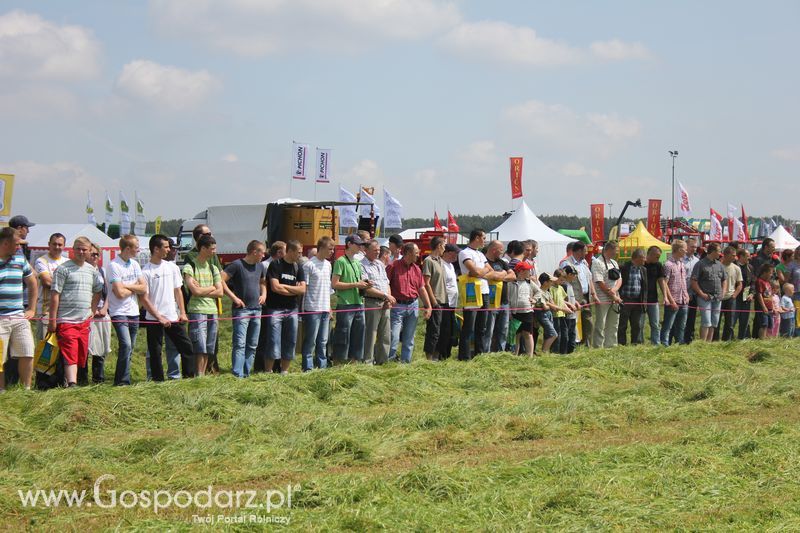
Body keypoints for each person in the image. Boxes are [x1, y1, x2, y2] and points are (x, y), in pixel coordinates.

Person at [48, 237, 103, 388]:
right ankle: (72, 384)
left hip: (84, 321)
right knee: (70, 353)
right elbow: (55, 295)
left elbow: (99, 290)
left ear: (89, 251)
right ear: (72, 249)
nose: (80, 252)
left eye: (84, 249)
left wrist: (92, 309)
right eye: (78, 248)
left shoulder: (92, 270)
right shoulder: (63, 269)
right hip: (66, 320)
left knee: (81, 354)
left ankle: (70, 381)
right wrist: (52, 320)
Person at [141, 234, 195, 382]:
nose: (168, 249)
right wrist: (159, 317)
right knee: (155, 352)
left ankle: (190, 379)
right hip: (154, 319)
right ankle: (158, 381)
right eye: (165, 247)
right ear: (156, 249)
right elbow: (144, 299)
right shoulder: (145, 272)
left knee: (187, 347)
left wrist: (182, 312)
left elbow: (178, 291)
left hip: (173, 316)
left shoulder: (172, 267)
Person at [0, 227, 38, 391]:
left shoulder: (20, 260)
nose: (19, 248)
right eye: (16, 244)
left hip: (19, 316)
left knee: (28, 352)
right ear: (6, 243)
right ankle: (1, 391)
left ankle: (26, 390)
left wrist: (31, 309)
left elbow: (32, 283)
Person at [222, 240, 267, 378]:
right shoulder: (236, 265)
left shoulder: (260, 267)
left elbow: (262, 282)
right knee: (240, 344)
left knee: (252, 344)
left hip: (257, 309)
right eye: (262, 252)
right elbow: (221, 280)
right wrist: (234, 298)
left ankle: (246, 373)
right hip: (242, 310)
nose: (264, 255)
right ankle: (237, 374)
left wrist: (264, 294)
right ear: (254, 252)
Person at [107, 235, 147, 386]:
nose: (138, 250)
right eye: (136, 247)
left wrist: (126, 285)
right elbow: (119, 293)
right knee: (126, 345)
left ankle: (125, 379)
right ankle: (121, 381)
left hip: (134, 312)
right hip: (119, 312)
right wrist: (133, 287)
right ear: (128, 249)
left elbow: (143, 287)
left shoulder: (135, 264)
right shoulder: (113, 265)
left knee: (130, 349)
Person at [183, 234, 223, 376]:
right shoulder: (190, 266)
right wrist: (211, 288)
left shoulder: (213, 268)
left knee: (209, 346)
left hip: (213, 310)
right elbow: (194, 290)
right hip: (197, 310)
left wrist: (203, 291)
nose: (214, 252)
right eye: (212, 249)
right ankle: (198, 375)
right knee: (199, 345)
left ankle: (203, 375)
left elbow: (220, 292)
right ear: (203, 248)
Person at [265, 240, 306, 374]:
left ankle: (284, 371)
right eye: (299, 252)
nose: (301, 255)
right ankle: (268, 371)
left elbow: (303, 290)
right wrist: (294, 289)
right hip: (275, 308)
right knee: (273, 340)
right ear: (290, 251)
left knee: (290, 340)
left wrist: (286, 287)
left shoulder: (298, 267)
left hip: (292, 309)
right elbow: (275, 287)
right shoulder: (275, 265)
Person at [387, 243, 432, 363]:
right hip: (397, 305)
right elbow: (386, 284)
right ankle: (389, 361)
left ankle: (405, 362)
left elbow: (421, 288)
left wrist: (428, 306)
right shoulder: (393, 266)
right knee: (394, 336)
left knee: (409, 337)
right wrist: (389, 299)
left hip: (413, 305)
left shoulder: (417, 269)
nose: (418, 255)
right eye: (416, 252)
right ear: (408, 253)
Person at [332, 235, 369, 363]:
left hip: (358, 302)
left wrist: (365, 284)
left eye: (361, 244)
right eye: (357, 244)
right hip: (345, 304)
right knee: (343, 336)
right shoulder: (340, 261)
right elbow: (335, 284)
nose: (360, 247)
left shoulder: (357, 263)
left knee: (358, 337)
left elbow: (358, 282)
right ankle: (339, 363)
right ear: (349, 244)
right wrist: (356, 284)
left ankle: (354, 363)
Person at [458, 229, 492, 360]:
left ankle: (480, 355)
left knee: (482, 327)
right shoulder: (464, 253)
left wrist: (479, 271)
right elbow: (475, 271)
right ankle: (464, 357)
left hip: (484, 291)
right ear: (477, 238)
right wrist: (481, 272)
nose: (485, 240)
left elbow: (489, 270)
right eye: (483, 237)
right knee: (469, 327)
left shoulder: (481, 254)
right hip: (472, 291)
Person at [302, 237, 334, 371]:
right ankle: (308, 368)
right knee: (311, 341)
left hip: (325, 309)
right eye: (330, 249)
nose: (332, 251)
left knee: (323, 341)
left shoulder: (328, 265)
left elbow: (328, 288)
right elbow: (304, 289)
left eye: (333, 249)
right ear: (321, 248)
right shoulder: (308, 265)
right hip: (312, 308)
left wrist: (330, 307)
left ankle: (322, 367)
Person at [360, 239, 394, 365]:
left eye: (379, 250)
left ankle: (382, 361)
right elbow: (367, 289)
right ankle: (368, 362)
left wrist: (388, 298)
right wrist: (386, 295)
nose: (377, 252)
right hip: (371, 303)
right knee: (371, 334)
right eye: (374, 250)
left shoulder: (380, 264)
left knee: (385, 334)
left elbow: (386, 282)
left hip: (385, 303)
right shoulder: (361, 265)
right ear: (366, 251)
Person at [255, 240, 285, 373]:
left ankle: (276, 365)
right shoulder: (264, 266)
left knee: (277, 337)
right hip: (267, 307)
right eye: (285, 250)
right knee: (265, 337)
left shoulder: (281, 265)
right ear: (279, 252)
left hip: (279, 306)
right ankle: (260, 366)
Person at [560, 241, 597, 347]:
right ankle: (571, 345)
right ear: (579, 251)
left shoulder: (584, 263)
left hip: (586, 296)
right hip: (573, 297)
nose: (586, 253)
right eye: (585, 251)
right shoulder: (566, 263)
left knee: (588, 321)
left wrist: (593, 293)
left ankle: (587, 344)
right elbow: (564, 281)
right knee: (573, 322)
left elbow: (589, 278)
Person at [690, 242, 728, 342]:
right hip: (705, 298)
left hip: (717, 297)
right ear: (712, 251)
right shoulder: (700, 264)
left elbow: (724, 279)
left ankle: (709, 344)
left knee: (714, 322)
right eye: (719, 251)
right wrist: (701, 294)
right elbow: (693, 281)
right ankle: (703, 344)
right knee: (706, 321)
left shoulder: (720, 265)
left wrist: (723, 292)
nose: (720, 254)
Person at [34, 233, 68, 340]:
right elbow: (47, 282)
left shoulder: (68, 262)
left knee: (62, 351)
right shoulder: (41, 261)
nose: (57, 247)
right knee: (46, 352)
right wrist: (67, 286)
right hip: (46, 312)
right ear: (49, 244)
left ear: (64, 246)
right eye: (54, 244)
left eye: (60, 244)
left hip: (64, 311)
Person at [86, 242, 111, 383]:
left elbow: (108, 293)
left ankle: (98, 380)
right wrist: (91, 310)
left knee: (100, 348)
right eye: (92, 253)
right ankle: (81, 379)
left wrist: (105, 308)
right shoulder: (82, 270)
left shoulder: (103, 271)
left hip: (102, 314)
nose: (95, 256)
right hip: (87, 315)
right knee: (86, 349)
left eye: (97, 254)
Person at [483, 240, 515, 352]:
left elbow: (513, 276)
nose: (502, 252)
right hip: (491, 301)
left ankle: (500, 353)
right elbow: (486, 275)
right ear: (493, 249)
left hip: (504, 301)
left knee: (503, 329)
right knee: (489, 329)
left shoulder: (502, 262)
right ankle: (486, 352)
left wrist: (499, 277)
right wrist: (502, 274)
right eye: (501, 250)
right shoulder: (484, 261)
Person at [591, 240, 622, 349]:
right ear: (608, 250)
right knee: (601, 324)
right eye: (614, 251)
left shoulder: (614, 262)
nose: (616, 253)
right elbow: (599, 282)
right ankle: (598, 347)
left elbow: (620, 279)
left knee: (614, 324)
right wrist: (612, 295)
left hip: (615, 298)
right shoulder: (597, 262)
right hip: (602, 298)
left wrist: (615, 290)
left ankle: (611, 345)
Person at [422, 236, 447, 360]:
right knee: (433, 331)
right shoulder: (429, 261)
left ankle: (437, 355)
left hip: (443, 300)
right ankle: (429, 357)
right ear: (439, 246)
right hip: (435, 301)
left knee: (441, 331)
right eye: (444, 245)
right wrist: (433, 302)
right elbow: (426, 283)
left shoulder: (441, 261)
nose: (445, 248)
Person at [617, 248, 647, 346]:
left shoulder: (643, 270)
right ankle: (621, 344)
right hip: (625, 300)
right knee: (622, 324)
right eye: (643, 258)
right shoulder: (624, 267)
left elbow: (644, 286)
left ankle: (635, 344)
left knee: (636, 325)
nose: (644, 260)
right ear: (637, 258)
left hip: (638, 301)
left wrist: (644, 301)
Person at [661, 240, 689, 346]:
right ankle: (664, 345)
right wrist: (671, 300)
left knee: (681, 326)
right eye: (685, 250)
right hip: (674, 300)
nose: (686, 252)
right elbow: (665, 283)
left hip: (683, 300)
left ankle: (679, 345)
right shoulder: (668, 265)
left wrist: (686, 296)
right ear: (680, 250)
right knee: (668, 325)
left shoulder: (682, 264)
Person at [750, 238, 778, 339]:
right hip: (760, 290)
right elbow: (754, 277)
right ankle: (756, 338)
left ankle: (765, 338)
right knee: (760, 318)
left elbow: (774, 276)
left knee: (768, 320)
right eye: (772, 247)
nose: (774, 249)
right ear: (766, 247)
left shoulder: (773, 259)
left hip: (769, 291)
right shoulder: (758, 260)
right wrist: (753, 292)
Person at [507, 261, 536, 356]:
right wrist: (509, 312)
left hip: (527, 311)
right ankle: (515, 354)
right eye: (528, 270)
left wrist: (534, 299)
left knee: (528, 333)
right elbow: (508, 298)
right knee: (516, 334)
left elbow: (539, 292)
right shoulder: (511, 283)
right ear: (521, 271)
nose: (530, 272)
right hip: (515, 312)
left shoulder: (529, 282)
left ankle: (530, 355)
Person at [438, 244, 460, 360]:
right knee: (444, 329)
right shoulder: (441, 265)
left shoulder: (451, 265)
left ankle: (448, 352)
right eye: (454, 253)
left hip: (453, 303)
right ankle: (442, 353)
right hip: (444, 302)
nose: (456, 256)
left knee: (451, 329)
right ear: (447, 252)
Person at [642, 246, 668, 345]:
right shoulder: (641, 264)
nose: (658, 259)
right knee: (640, 324)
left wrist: (665, 296)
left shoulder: (658, 265)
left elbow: (661, 281)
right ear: (650, 254)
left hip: (653, 300)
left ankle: (656, 344)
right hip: (640, 300)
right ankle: (640, 343)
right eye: (657, 256)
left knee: (655, 324)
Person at [717, 246, 743, 341]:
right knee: (716, 322)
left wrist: (734, 295)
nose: (735, 257)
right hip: (718, 298)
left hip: (730, 298)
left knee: (730, 323)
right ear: (726, 255)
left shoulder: (736, 268)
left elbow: (739, 284)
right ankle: (715, 341)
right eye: (733, 255)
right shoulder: (717, 266)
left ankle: (727, 341)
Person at [535, 273, 562, 353]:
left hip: (548, 315)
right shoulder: (538, 293)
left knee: (548, 335)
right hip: (542, 316)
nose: (552, 283)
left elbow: (552, 305)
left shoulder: (547, 292)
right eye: (550, 281)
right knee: (553, 334)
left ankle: (544, 352)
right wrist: (550, 305)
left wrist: (549, 304)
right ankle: (544, 352)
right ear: (545, 282)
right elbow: (544, 307)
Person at [681, 238, 701, 344]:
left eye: (695, 247)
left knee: (691, 318)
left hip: (693, 295)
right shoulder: (680, 260)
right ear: (686, 246)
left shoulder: (697, 261)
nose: (694, 249)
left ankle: (689, 339)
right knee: (680, 319)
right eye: (692, 246)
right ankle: (679, 338)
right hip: (681, 295)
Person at [735, 248, 754, 340]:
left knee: (745, 320)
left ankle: (742, 339)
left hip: (746, 297)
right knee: (733, 320)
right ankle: (728, 339)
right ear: (741, 256)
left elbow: (752, 283)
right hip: (735, 297)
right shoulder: (734, 266)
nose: (749, 257)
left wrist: (752, 294)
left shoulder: (750, 267)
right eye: (747, 256)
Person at [753, 263, 774, 340]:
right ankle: (762, 340)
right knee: (764, 324)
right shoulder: (759, 281)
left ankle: (768, 339)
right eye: (770, 273)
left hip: (770, 307)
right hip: (762, 307)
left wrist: (773, 306)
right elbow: (759, 294)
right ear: (764, 272)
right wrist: (764, 307)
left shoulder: (768, 282)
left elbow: (770, 295)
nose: (771, 275)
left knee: (770, 324)